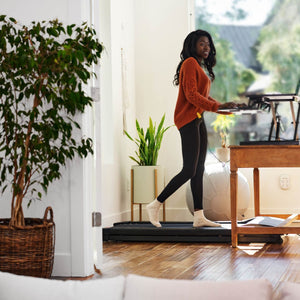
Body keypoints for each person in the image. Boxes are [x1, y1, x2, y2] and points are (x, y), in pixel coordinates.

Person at [146, 29, 238, 228]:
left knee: (198, 169)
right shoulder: (189, 64)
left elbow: (203, 97)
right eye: (202, 44)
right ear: (193, 45)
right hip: (187, 120)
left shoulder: (198, 66)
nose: (207, 48)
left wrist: (225, 109)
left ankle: (199, 216)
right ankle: (155, 204)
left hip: (197, 119)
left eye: (208, 44)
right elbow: (191, 96)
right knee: (189, 169)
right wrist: (218, 107)